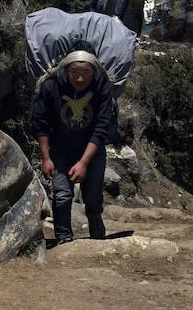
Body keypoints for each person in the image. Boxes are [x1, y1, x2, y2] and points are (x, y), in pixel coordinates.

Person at [31, 42, 115, 244]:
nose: (79, 78)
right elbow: (40, 123)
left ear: (94, 70)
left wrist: (84, 163)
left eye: (85, 72)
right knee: (61, 195)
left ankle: (96, 236)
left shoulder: (103, 86)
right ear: (66, 68)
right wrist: (46, 158)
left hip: (93, 151)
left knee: (93, 199)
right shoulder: (51, 86)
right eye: (74, 71)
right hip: (60, 149)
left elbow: (101, 127)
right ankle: (64, 239)